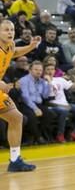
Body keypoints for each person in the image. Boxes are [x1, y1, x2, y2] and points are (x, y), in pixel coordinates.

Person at [0, 21, 41, 170]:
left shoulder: (9, 45)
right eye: (5, 30)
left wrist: (31, 46)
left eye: (11, 30)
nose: (10, 33)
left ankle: (15, 160)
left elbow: (14, 53)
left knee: (16, 118)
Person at [44, 65, 75, 143]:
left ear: (55, 71)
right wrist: (49, 81)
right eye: (48, 69)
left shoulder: (60, 79)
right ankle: (60, 134)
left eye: (52, 69)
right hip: (52, 105)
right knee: (64, 110)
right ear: (44, 71)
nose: (50, 71)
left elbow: (71, 88)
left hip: (65, 104)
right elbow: (50, 96)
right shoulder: (42, 82)